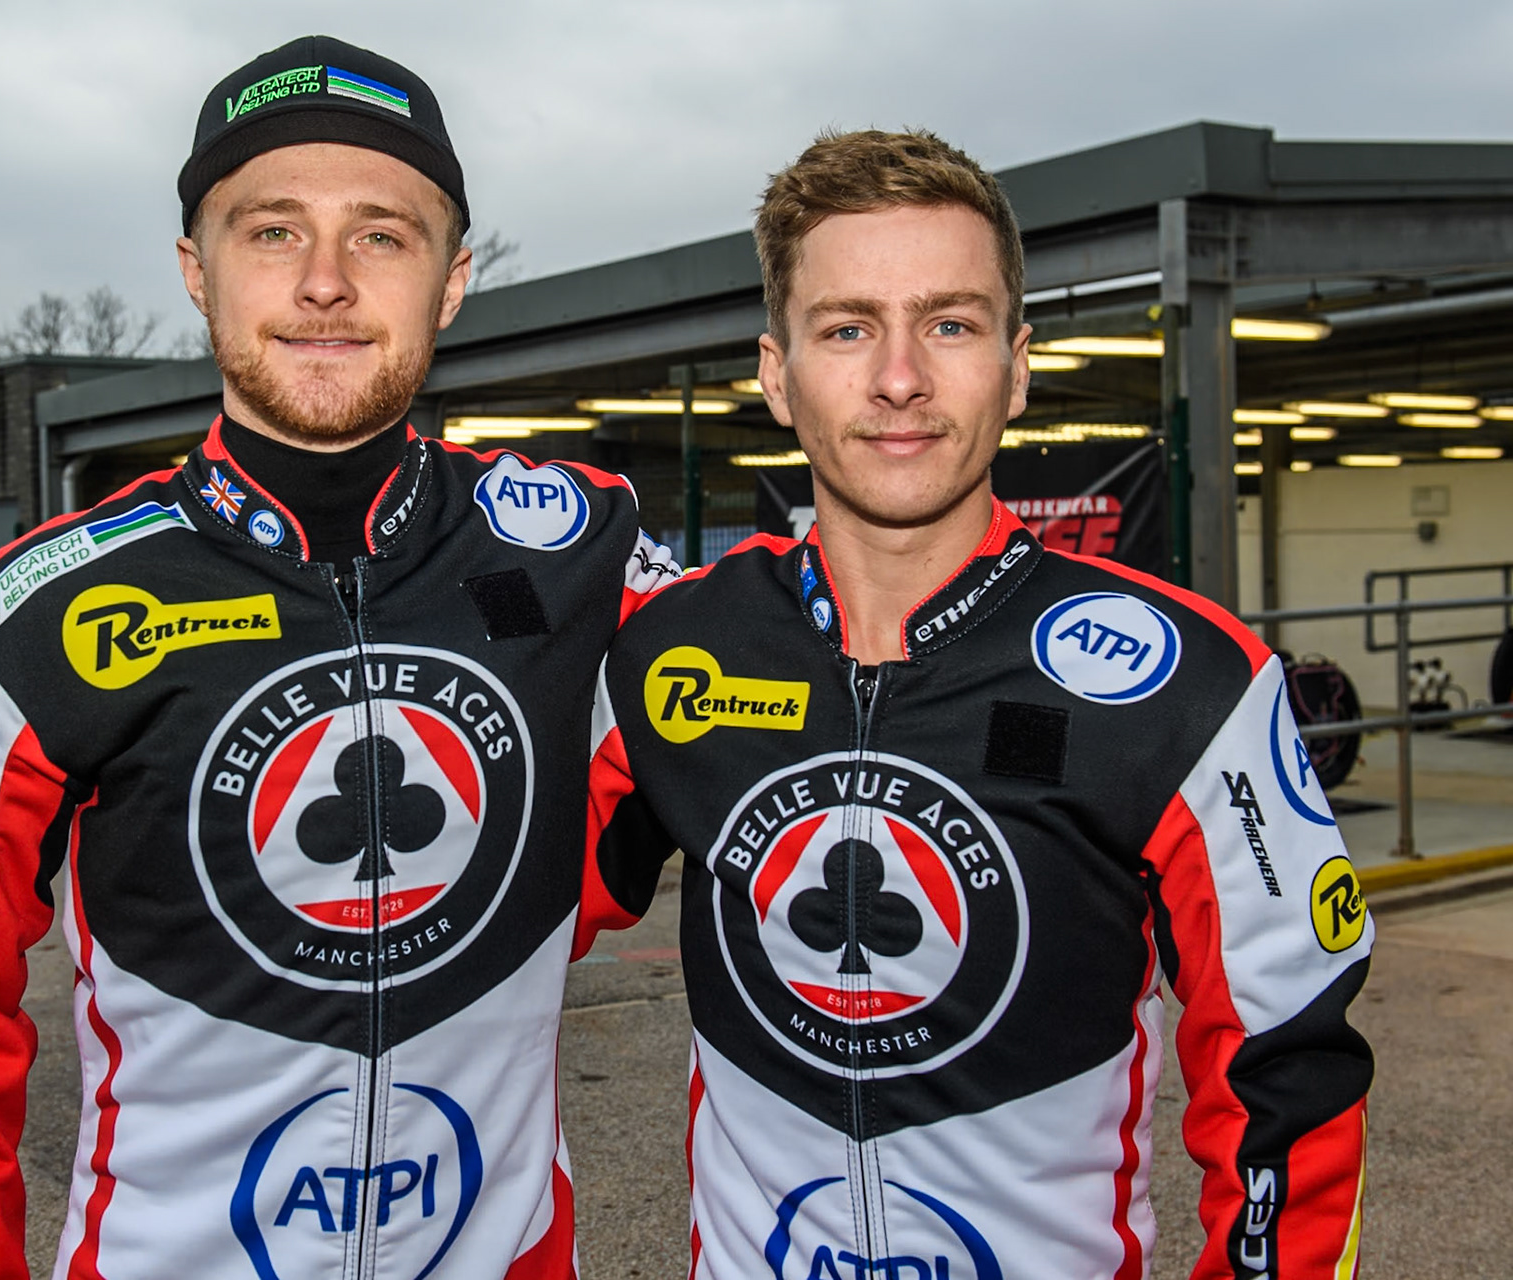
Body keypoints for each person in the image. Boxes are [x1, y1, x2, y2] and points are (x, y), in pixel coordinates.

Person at [0, 35, 674, 1279]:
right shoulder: (31, 615)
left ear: (453, 280)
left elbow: (801, 704)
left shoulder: (586, 547)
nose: (327, 284)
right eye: (272, 231)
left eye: (382, 235)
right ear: (198, 271)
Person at [582, 129, 1372, 1278]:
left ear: (1017, 362)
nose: (899, 376)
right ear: (774, 371)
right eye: (848, 327)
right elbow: (489, 928)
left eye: (949, 323)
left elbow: (1290, 1078)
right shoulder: (671, 650)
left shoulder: (1190, 682)